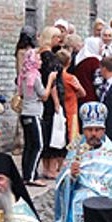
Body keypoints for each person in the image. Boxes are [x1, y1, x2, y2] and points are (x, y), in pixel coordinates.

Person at [18, 48, 57, 186]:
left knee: (29, 146)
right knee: (38, 145)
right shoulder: (35, 76)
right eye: (38, 59)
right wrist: (50, 80)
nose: (40, 62)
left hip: (25, 113)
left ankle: (26, 174)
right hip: (34, 114)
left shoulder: (23, 76)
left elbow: (22, 95)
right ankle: (32, 176)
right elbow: (45, 95)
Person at [38, 26, 67, 179]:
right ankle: (50, 169)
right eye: (56, 37)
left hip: (42, 98)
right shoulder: (50, 57)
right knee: (54, 132)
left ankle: (46, 167)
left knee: (46, 132)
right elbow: (53, 80)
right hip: (51, 99)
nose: (59, 40)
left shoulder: (38, 55)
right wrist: (57, 102)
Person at [57, 49, 86, 141]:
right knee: (72, 132)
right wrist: (74, 95)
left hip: (58, 107)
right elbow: (83, 93)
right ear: (69, 62)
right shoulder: (70, 78)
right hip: (71, 107)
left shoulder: (54, 76)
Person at [72, 37, 102, 106]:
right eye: (99, 46)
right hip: (92, 100)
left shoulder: (79, 60)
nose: (101, 49)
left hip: (81, 98)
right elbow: (98, 82)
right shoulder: (94, 62)